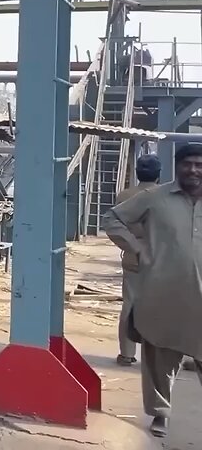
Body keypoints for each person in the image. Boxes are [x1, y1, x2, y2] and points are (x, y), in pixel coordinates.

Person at [106, 143, 202, 438]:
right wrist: (136, 249)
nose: (193, 170)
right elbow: (113, 219)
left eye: (199, 164)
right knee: (159, 357)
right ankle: (160, 414)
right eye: (187, 164)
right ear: (176, 166)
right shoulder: (155, 198)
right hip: (163, 292)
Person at [111, 154, 160, 367]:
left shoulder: (125, 195)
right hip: (162, 259)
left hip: (134, 258)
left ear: (138, 173)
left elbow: (116, 224)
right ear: (159, 174)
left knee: (130, 305)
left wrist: (132, 246)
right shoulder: (165, 196)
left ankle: (127, 353)